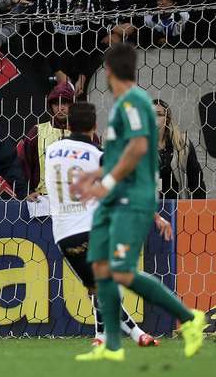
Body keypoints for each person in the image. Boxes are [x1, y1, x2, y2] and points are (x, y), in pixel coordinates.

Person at [72, 43, 207, 362]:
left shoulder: (133, 103)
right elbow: (121, 154)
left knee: (119, 270)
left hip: (133, 199)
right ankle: (112, 347)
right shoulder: (123, 105)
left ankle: (190, 318)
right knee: (101, 267)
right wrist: (92, 175)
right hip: (116, 198)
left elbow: (137, 149)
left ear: (108, 71)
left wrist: (105, 182)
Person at [44, 102, 160, 348]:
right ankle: (124, 334)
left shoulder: (51, 150)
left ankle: (110, 336)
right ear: (95, 125)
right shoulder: (99, 155)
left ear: (67, 124)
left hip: (64, 237)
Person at [153, 99, 206, 200]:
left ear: (167, 119)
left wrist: (198, 211)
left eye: (158, 114)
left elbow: (196, 182)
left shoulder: (182, 144)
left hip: (178, 208)